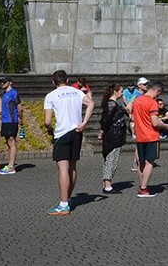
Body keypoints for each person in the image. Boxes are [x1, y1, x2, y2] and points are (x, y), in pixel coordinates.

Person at [44, 70, 94, 215]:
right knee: (72, 167)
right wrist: (84, 122)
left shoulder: (51, 95)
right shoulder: (76, 91)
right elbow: (91, 103)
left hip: (62, 133)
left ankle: (64, 204)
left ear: (53, 82)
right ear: (67, 80)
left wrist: (50, 129)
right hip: (77, 131)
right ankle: (68, 198)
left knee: (62, 168)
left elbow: (47, 121)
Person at [132, 80, 168, 197]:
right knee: (150, 162)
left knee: (141, 162)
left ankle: (142, 185)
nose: (158, 96)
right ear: (157, 91)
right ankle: (143, 189)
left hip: (140, 136)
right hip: (151, 136)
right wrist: (165, 126)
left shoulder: (137, 100)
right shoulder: (152, 102)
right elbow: (155, 123)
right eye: (158, 94)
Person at [99, 84, 129, 193]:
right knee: (111, 159)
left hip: (113, 135)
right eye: (121, 91)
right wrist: (102, 131)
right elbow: (106, 120)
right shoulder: (112, 104)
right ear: (115, 92)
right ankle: (107, 185)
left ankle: (106, 184)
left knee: (110, 159)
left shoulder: (113, 103)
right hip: (113, 135)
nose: (122, 93)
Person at [0, 76, 22, 175]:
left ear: (10, 82)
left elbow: (19, 108)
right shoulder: (5, 93)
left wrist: (20, 119)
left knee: (12, 142)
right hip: (5, 121)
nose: (2, 84)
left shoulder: (13, 93)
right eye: (1, 82)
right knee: (8, 143)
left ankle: (11, 167)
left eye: (4, 82)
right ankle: (9, 164)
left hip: (12, 121)